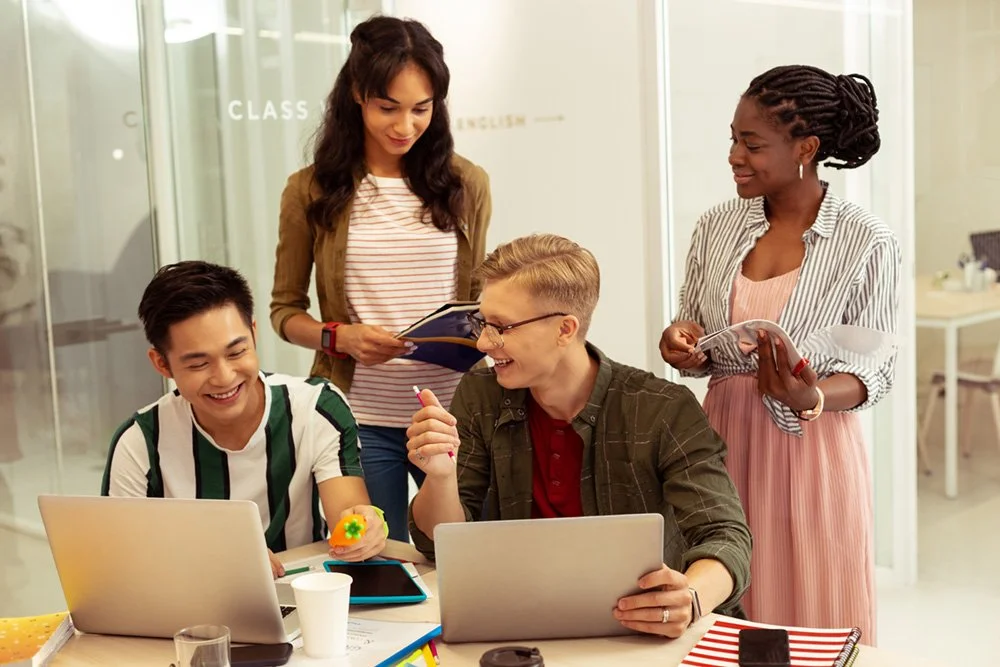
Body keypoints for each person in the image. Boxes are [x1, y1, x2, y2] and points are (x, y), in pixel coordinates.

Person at [406, 234, 751, 639]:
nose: (483, 343)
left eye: (502, 327)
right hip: (522, 625)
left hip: (641, 634)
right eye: (482, 323)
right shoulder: (481, 394)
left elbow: (726, 537)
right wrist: (440, 477)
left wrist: (690, 598)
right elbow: (441, 544)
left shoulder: (662, 408)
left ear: (565, 329)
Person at [659, 65, 901, 642]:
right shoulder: (716, 225)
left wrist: (811, 395)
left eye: (752, 143)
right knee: (725, 597)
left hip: (812, 447)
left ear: (806, 148)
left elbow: (875, 369)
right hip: (718, 441)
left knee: (812, 601)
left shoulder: (866, 239)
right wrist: (681, 340)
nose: (734, 156)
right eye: (733, 139)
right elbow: (693, 318)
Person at [270, 15, 492, 543]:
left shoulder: (467, 184)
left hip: (450, 414)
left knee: (464, 553)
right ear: (356, 94)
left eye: (421, 108)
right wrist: (339, 337)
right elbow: (284, 311)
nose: (405, 126)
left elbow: (479, 300)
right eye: (387, 107)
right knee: (377, 558)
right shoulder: (311, 190)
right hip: (360, 416)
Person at [103, 261, 387, 576]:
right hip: (190, 609)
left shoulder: (317, 409)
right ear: (162, 364)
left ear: (253, 333)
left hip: (300, 598)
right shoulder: (140, 441)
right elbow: (120, 563)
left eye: (236, 353)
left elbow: (347, 519)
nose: (224, 378)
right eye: (198, 364)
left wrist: (363, 528)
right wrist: (213, 555)